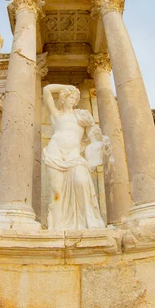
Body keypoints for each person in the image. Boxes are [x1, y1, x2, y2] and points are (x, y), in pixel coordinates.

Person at [42, 84, 106, 230]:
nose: (73, 100)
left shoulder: (81, 116)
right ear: (63, 98)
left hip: (73, 155)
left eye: (75, 98)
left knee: (81, 181)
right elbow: (46, 90)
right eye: (70, 97)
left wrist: (99, 144)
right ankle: (57, 227)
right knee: (56, 191)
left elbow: (93, 136)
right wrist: (67, 86)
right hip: (55, 152)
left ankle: (87, 221)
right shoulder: (56, 114)